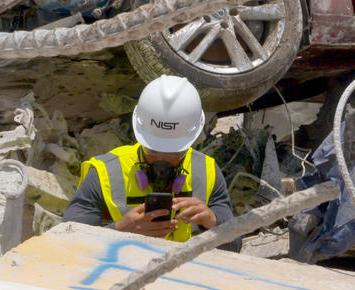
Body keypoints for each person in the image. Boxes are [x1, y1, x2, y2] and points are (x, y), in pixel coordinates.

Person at [63, 75, 240, 250]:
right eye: (153, 151)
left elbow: (235, 245)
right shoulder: (105, 173)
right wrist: (118, 230)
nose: (162, 160)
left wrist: (213, 222)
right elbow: (67, 243)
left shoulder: (206, 171)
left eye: (173, 152)